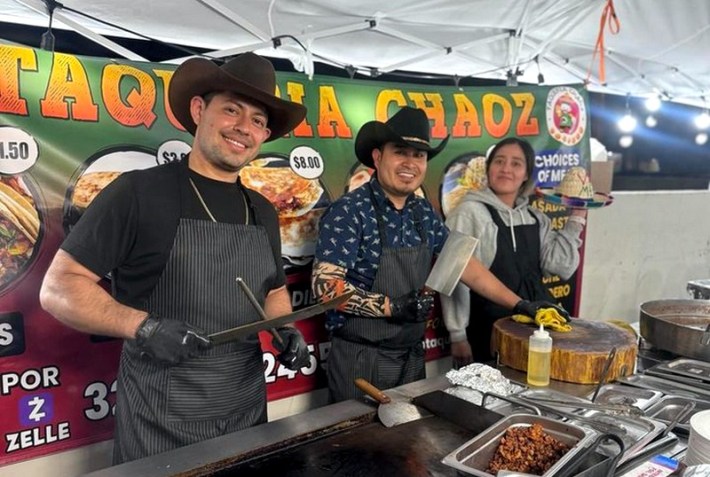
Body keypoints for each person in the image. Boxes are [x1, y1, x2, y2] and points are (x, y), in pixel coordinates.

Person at [39, 52, 312, 464]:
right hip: (160, 421)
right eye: (232, 110)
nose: (244, 128)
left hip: (246, 408)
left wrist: (284, 328)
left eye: (258, 120)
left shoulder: (262, 209)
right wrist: (144, 328)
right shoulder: (137, 193)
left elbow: (273, 289)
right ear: (199, 110)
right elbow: (59, 287)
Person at [311, 107, 564, 402]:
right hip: (360, 359)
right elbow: (325, 288)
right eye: (401, 152)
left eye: (419, 155)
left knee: (408, 439)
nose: (410, 163)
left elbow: (464, 265)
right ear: (378, 157)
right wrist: (391, 307)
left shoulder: (422, 212)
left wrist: (521, 304)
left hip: (411, 357)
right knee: (361, 446)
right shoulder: (349, 211)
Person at [441, 137, 586, 367]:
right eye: (499, 161)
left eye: (516, 163)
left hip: (537, 332)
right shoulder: (469, 213)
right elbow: (453, 278)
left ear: (526, 174)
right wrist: (457, 335)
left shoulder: (535, 217)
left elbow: (561, 266)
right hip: (489, 332)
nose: (506, 169)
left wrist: (578, 215)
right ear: (488, 168)